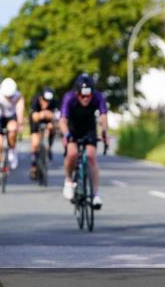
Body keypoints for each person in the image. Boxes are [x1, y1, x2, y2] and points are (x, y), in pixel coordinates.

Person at [59, 73, 108, 209]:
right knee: (72, 153)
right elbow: (63, 120)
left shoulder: (98, 97)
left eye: (88, 96)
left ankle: (95, 195)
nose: (85, 99)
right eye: (82, 96)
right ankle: (69, 181)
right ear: (77, 93)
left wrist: (104, 132)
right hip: (72, 129)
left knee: (91, 156)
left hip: (89, 128)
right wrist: (67, 134)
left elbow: (103, 115)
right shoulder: (69, 98)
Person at [0, 78, 24, 188]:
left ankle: (12, 150)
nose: (8, 98)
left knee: (12, 129)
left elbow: (20, 111)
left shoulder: (18, 96)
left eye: (10, 97)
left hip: (11, 116)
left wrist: (20, 124)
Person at [28, 86, 58, 179]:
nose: (46, 103)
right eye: (44, 101)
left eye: (48, 101)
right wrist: (43, 114)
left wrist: (51, 118)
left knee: (52, 127)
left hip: (48, 121)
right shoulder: (35, 100)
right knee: (35, 143)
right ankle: (33, 165)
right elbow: (34, 116)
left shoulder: (54, 101)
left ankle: (49, 147)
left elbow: (57, 116)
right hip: (36, 121)